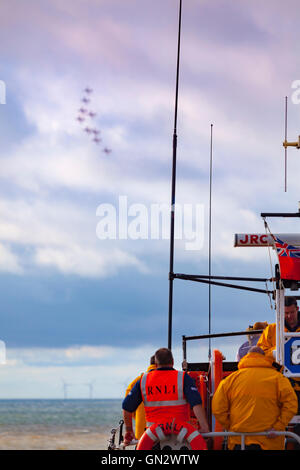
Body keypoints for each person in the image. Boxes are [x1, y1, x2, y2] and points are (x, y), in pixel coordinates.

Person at [212, 346, 298, 450]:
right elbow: (292, 404)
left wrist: (231, 426)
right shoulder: (278, 379)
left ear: (246, 357)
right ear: (265, 358)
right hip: (269, 442)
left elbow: (217, 409)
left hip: (239, 441)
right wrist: (278, 427)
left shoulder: (230, 380)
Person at [122, 347, 209, 446]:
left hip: (153, 438)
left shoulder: (143, 380)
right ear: (172, 361)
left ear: (155, 364)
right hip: (180, 437)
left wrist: (129, 431)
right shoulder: (183, 378)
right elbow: (196, 403)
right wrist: (204, 426)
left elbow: (126, 407)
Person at [124, 355, 156, 440]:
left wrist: (130, 429)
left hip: (142, 433)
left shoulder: (137, 381)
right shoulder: (171, 380)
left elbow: (128, 408)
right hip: (167, 434)